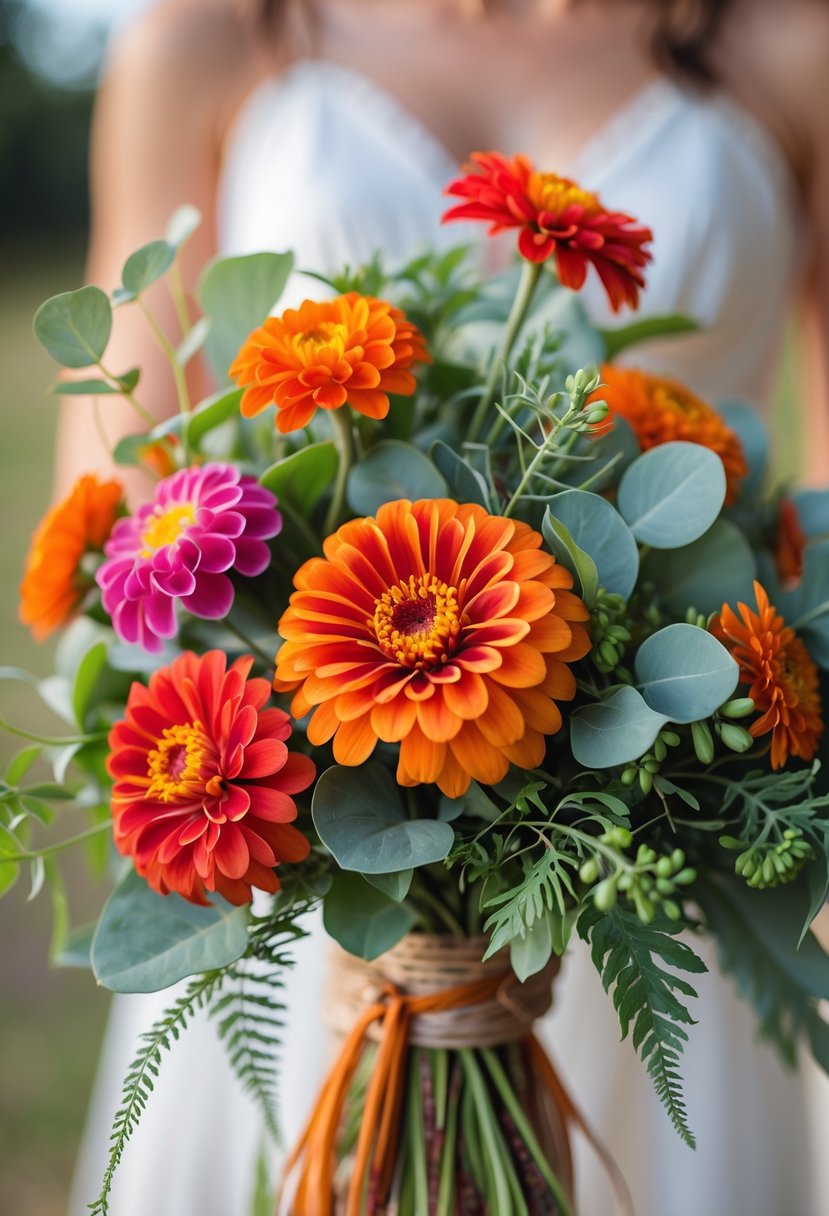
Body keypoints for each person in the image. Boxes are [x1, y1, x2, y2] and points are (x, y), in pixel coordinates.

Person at [62, 0, 829, 1213]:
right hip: (310, 846)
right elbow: (120, 504)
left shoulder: (789, 44)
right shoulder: (212, 38)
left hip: (661, 861)